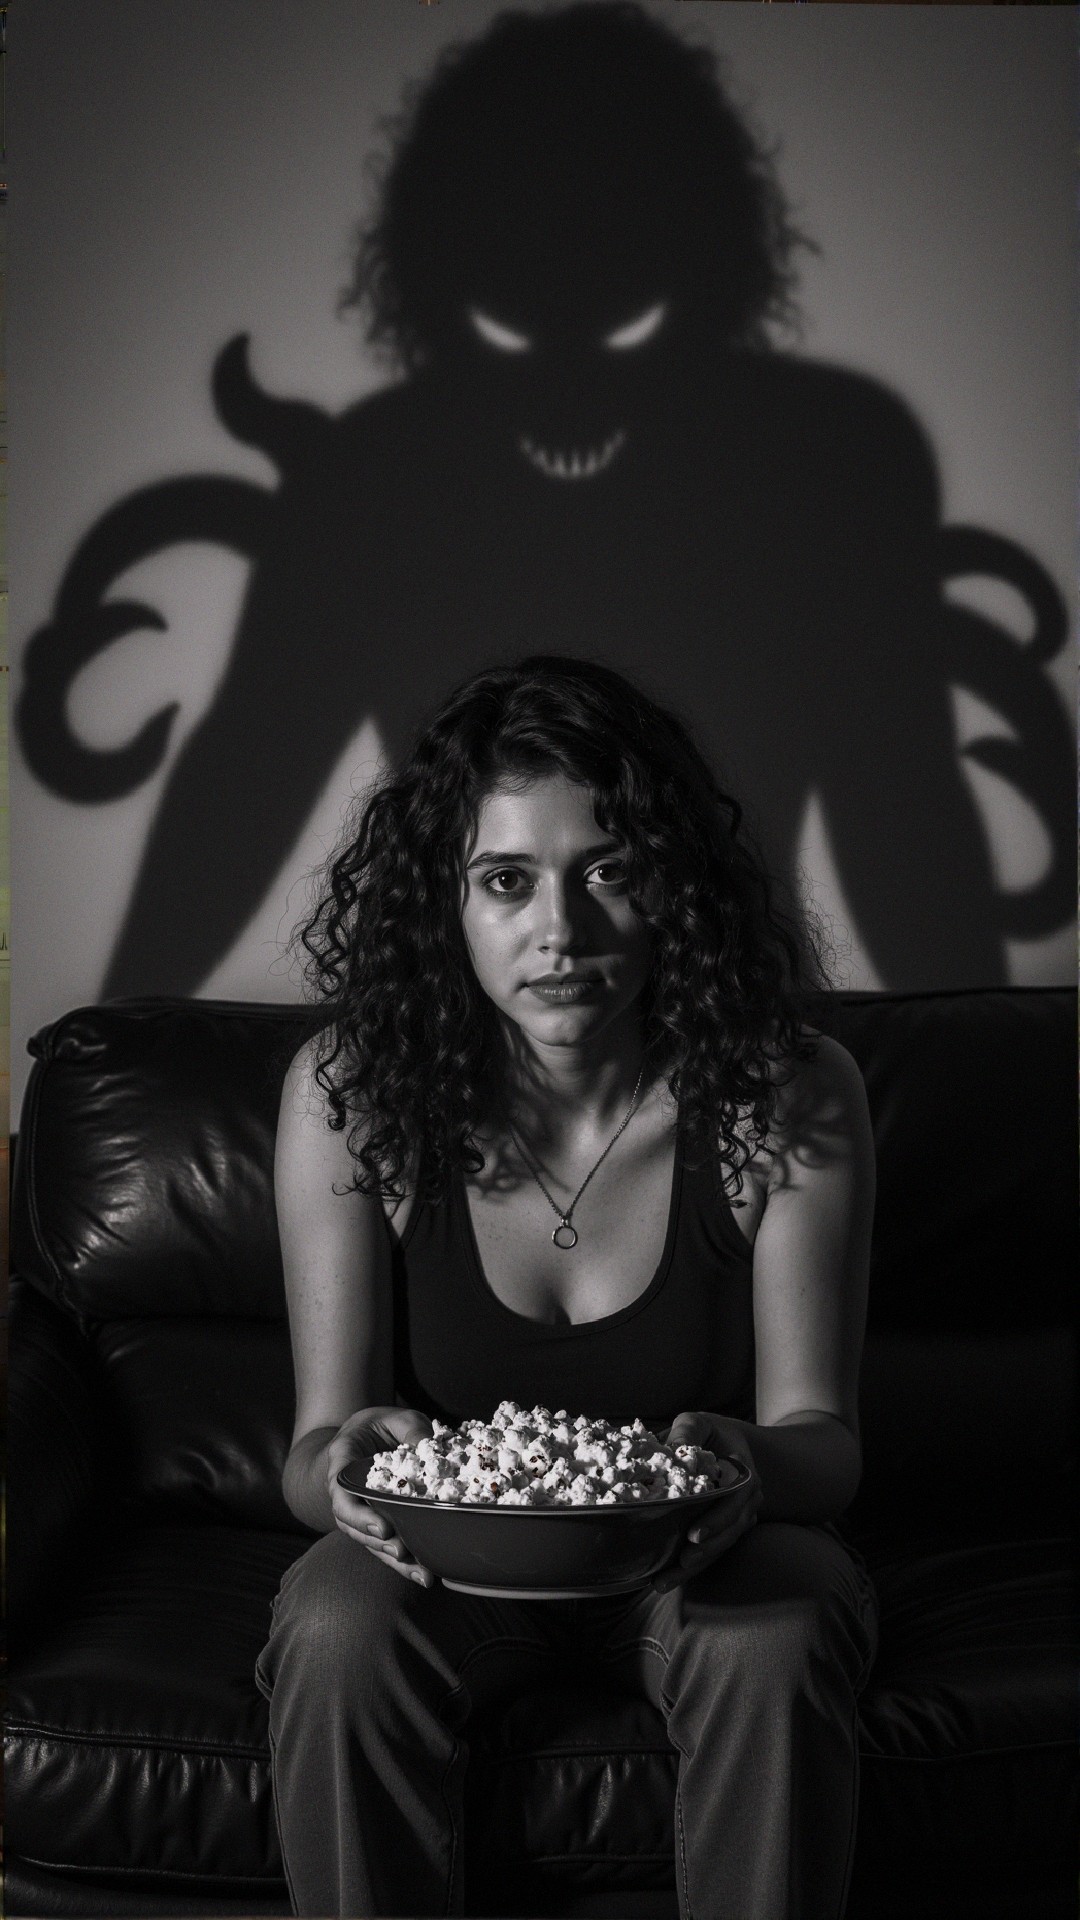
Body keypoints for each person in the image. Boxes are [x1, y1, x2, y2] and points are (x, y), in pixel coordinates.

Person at [257, 654, 878, 1920]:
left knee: (779, 1640)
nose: (563, 933)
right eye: (505, 881)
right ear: (445, 906)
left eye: (611, 870)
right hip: (440, 1567)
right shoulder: (354, 1095)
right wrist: (348, 1469)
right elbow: (314, 1449)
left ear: (676, 890)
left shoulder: (785, 1095)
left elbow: (828, 1443)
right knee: (331, 1629)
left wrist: (749, 1463)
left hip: (700, 1558)